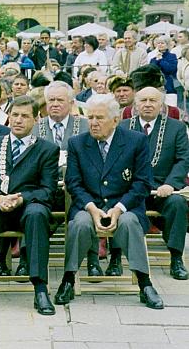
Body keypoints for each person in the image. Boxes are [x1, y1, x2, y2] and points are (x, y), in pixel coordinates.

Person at [55, 94, 163, 310]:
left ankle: (145, 283)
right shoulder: (77, 143)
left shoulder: (136, 141)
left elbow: (142, 183)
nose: (93, 123)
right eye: (90, 117)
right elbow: (73, 183)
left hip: (125, 205)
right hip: (89, 204)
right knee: (80, 223)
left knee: (130, 223)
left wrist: (118, 208)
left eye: (99, 118)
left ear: (115, 120)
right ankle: (68, 279)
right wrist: (92, 208)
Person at [0, 96, 58, 315]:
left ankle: (40, 289)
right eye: (15, 115)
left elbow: (48, 190)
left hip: (28, 205)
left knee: (37, 214)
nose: (18, 120)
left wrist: (22, 197)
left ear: (36, 119)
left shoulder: (47, 149)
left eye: (25, 116)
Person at [126, 87, 189, 280]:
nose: (147, 104)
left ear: (161, 105)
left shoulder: (176, 127)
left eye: (152, 101)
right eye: (143, 100)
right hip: (130, 190)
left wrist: (171, 184)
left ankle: (176, 257)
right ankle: (114, 260)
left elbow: (183, 159)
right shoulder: (122, 127)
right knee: (114, 205)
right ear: (135, 105)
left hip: (162, 189)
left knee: (178, 205)